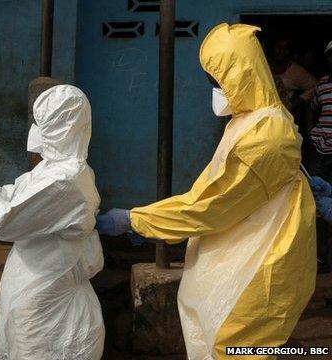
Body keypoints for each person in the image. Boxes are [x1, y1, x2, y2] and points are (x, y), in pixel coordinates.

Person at [97, 24, 316, 359]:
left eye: (217, 81)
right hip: (241, 246)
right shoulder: (252, 119)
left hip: (260, 260)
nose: (214, 89)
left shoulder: (264, 137)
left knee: (234, 344)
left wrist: (135, 220)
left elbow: (209, 206)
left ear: (242, 76)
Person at [0, 85, 105, 360]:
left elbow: (3, 219)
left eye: (42, 122)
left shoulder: (64, 180)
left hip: (49, 313)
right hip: (42, 293)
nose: (35, 128)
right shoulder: (56, 169)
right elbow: (14, 196)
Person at [306, 41, 332, 273]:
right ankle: (320, 258)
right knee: (317, 205)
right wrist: (312, 136)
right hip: (320, 150)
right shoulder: (322, 85)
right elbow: (312, 110)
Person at [269, 37, 317, 112]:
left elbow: (315, 86)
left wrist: (295, 103)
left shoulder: (296, 71)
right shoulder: (264, 65)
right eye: (279, 46)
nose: (281, 51)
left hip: (283, 114)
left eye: (286, 48)